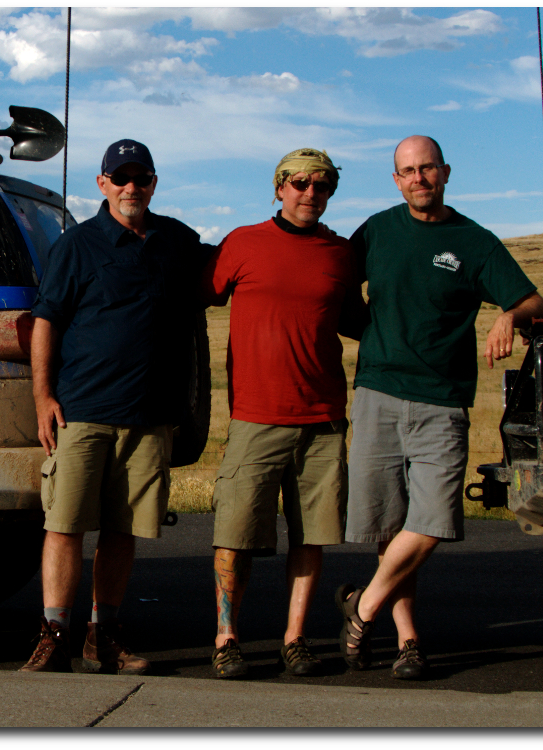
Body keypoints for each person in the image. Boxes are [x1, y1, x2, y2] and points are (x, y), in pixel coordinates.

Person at [338, 135, 543, 679]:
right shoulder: (377, 231)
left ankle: (362, 605)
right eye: (408, 171)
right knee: (389, 526)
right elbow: (334, 285)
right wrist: (368, 331)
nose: (419, 179)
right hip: (378, 393)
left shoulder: (473, 241)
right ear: (396, 180)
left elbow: (535, 302)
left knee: (432, 522)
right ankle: (408, 641)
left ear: (446, 172)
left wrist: (509, 316)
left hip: (443, 400)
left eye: (427, 168)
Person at [21, 139, 211, 674]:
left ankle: (102, 637)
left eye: (141, 178)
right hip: (81, 412)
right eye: (121, 178)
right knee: (64, 525)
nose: (132, 187)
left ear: (154, 184)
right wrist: (43, 396)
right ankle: (54, 636)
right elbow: (46, 321)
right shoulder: (77, 245)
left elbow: (229, 273)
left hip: (149, 417)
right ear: (102, 184)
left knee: (123, 530)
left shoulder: (176, 241)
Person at [200, 149, 366, 679]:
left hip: (322, 418)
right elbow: (195, 297)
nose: (310, 193)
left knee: (311, 535)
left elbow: (361, 322)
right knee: (235, 532)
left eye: (323, 185)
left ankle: (295, 639)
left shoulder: (339, 253)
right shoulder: (242, 243)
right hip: (256, 416)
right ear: (279, 188)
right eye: (299, 182)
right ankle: (226, 638)